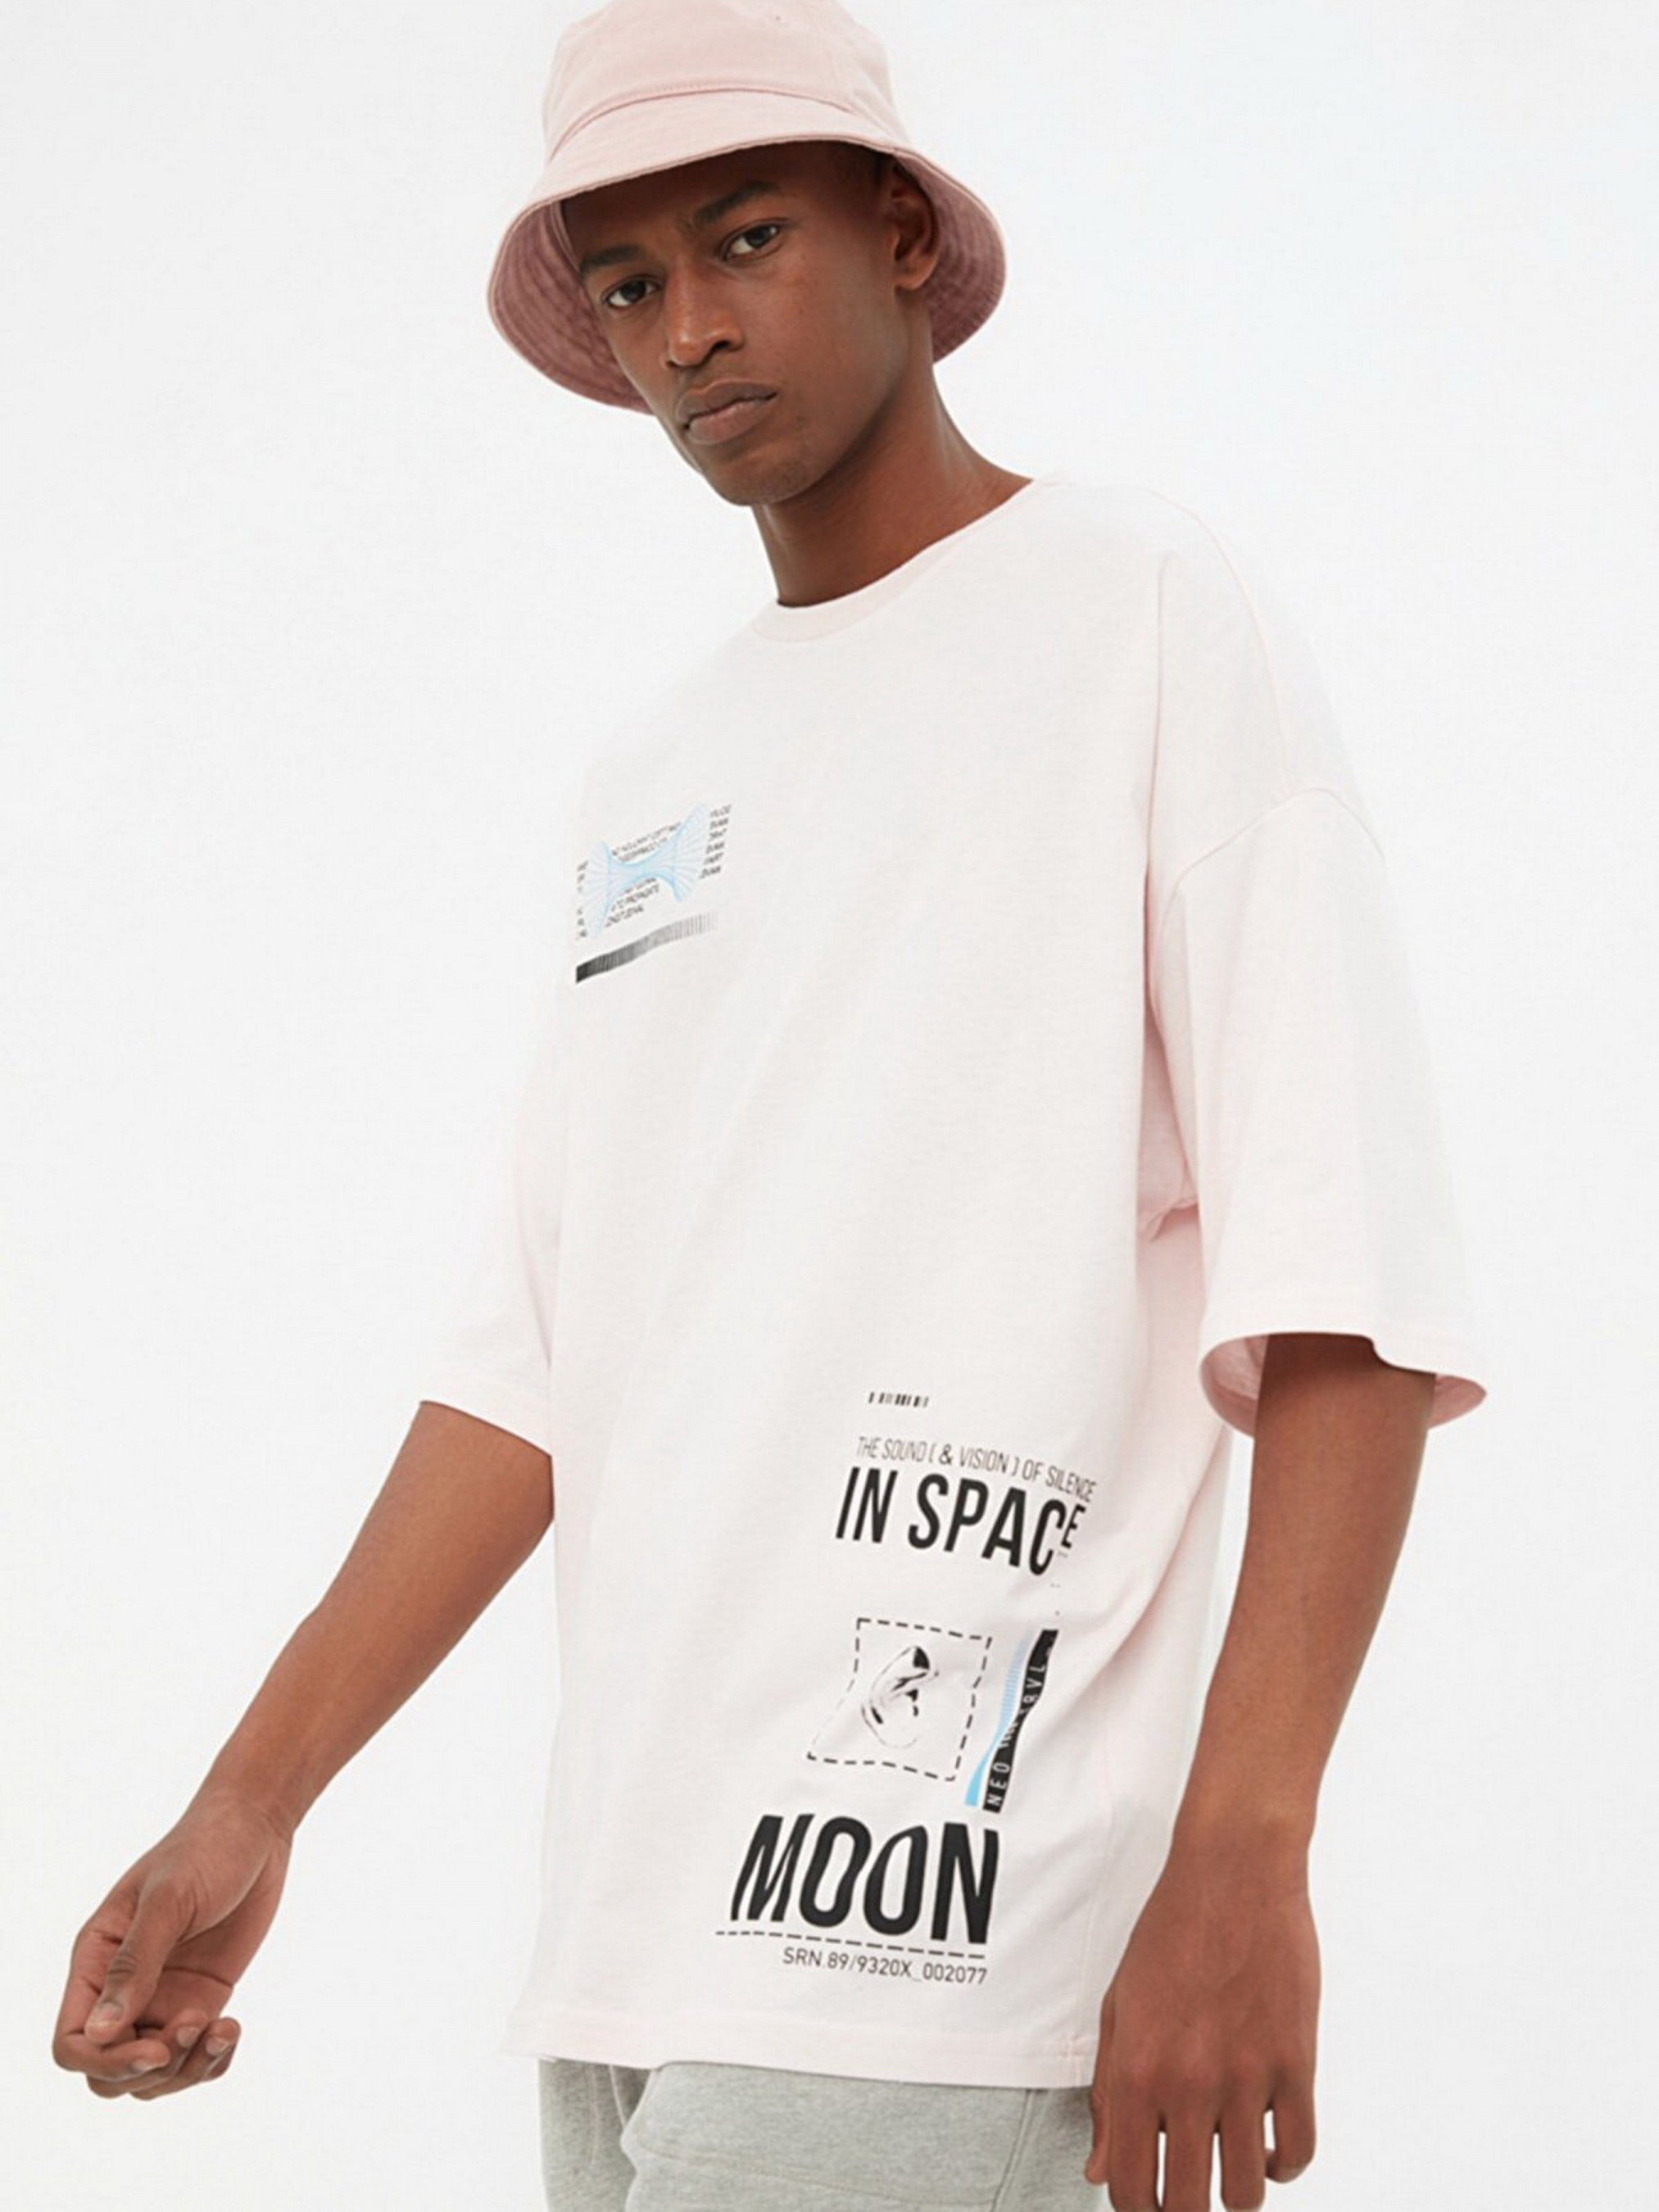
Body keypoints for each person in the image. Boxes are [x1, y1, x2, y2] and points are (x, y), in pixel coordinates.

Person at [52, 1, 1493, 2205]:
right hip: (631, 1936)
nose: (689, 332)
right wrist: (252, 1797)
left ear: (901, 233)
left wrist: (1243, 1846)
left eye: (745, 240)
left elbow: (1343, 1267)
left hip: (949, 1924)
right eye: (630, 283)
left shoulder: (1137, 609)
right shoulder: (657, 777)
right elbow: (536, 1363)